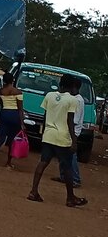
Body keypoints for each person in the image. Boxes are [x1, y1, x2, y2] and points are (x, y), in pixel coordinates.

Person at [29, 75, 86, 207]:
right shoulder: (72, 100)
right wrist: (74, 141)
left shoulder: (49, 95)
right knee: (66, 167)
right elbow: (70, 121)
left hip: (49, 134)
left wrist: (44, 132)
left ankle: (33, 191)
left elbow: (45, 116)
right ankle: (70, 197)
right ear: (72, 86)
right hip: (62, 136)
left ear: (60, 84)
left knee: (43, 162)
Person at [53, 75, 85, 189]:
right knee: (63, 155)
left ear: (74, 87)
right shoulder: (75, 99)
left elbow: (74, 120)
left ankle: (75, 179)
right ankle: (63, 176)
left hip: (72, 132)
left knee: (71, 156)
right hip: (67, 130)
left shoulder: (77, 101)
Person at [0, 72, 26, 169]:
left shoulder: (1, 91)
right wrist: (22, 123)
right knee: (11, 141)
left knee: (1, 138)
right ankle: (8, 163)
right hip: (14, 116)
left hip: (4, 114)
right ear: (13, 80)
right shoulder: (18, 92)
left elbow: (1, 104)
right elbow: (20, 109)